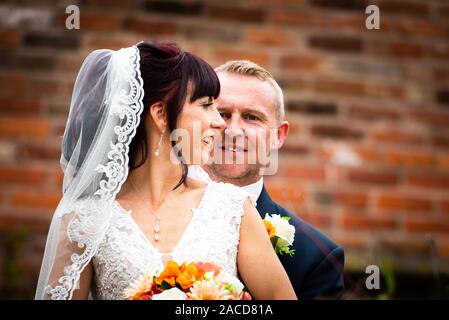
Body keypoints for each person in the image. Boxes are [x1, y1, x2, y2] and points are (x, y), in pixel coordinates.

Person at [35, 43, 296, 300]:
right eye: (206, 105)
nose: (220, 123)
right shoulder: (85, 219)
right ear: (161, 114)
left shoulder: (234, 209)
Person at [192, 60, 345, 299]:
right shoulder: (151, 220)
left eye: (252, 117)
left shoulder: (317, 258)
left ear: (278, 136)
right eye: (222, 114)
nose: (233, 130)